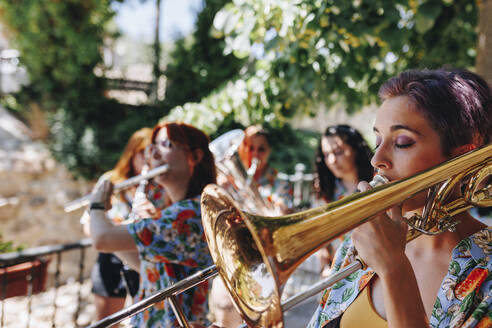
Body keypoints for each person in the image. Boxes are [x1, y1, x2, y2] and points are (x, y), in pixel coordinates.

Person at [308, 68, 492, 328]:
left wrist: (394, 270)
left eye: (403, 141)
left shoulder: (487, 273)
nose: (376, 159)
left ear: (461, 158)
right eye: (378, 140)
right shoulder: (358, 245)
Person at [88, 122, 217, 328]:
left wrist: (96, 206)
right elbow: (148, 268)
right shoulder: (181, 209)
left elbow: (102, 239)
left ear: (195, 157)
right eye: (152, 146)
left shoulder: (187, 214)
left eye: (166, 144)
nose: (153, 154)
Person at [81, 127, 167, 325]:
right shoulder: (110, 182)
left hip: (143, 261)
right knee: (107, 322)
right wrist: (105, 232)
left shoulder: (161, 186)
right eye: (142, 153)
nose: (147, 159)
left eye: (152, 153)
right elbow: (88, 224)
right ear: (131, 153)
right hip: (111, 260)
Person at [312, 124, 375, 276]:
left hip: (373, 271)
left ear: (355, 149)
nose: (332, 160)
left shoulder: (376, 183)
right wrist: (324, 266)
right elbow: (318, 238)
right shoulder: (324, 193)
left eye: (339, 152)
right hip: (338, 275)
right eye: (327, 155)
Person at [236, 124, 292, 214]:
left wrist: (281, 208)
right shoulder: (236, 180)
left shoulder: (281, 182)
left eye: (261, 149)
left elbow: (283, 212)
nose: (255, 154)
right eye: (251, 148)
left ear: (269, 151)